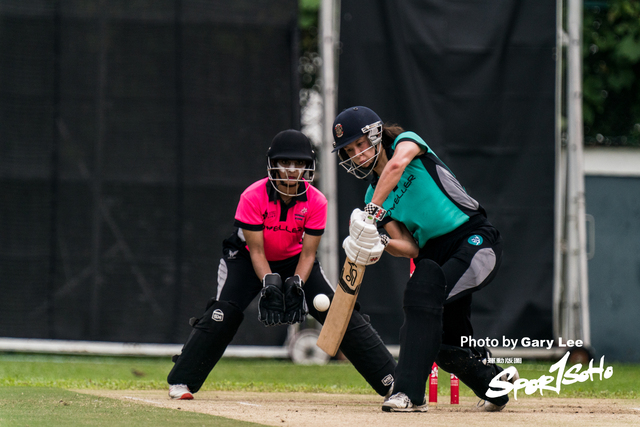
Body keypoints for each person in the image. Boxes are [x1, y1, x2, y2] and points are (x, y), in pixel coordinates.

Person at [167, 129, 396, 400]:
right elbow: (256, 251)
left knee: (338, 311)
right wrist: (269, 282)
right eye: (285, 162)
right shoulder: (252, 196)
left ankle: (391, 381)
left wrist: (297, 282)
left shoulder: (317, 201)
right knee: (223, 314)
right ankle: (182, 380)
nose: (291, 170)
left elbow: (308, 254)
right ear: (273, 164)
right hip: (245, 259)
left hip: (295, 259)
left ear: (308, 166)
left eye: (299, 163)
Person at [331, 106, 518, 412]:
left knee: (422, 297)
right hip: (433, 257)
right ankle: (495, 384)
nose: (357, 155)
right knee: (446, 347)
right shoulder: (371, 195)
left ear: (376, 134)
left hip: (473, 240)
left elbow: (396, 166)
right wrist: (380, 240)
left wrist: (370, 214)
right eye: (349, 151)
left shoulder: (407, 142)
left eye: (360, 144)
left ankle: (409, 394)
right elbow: (410, 247)